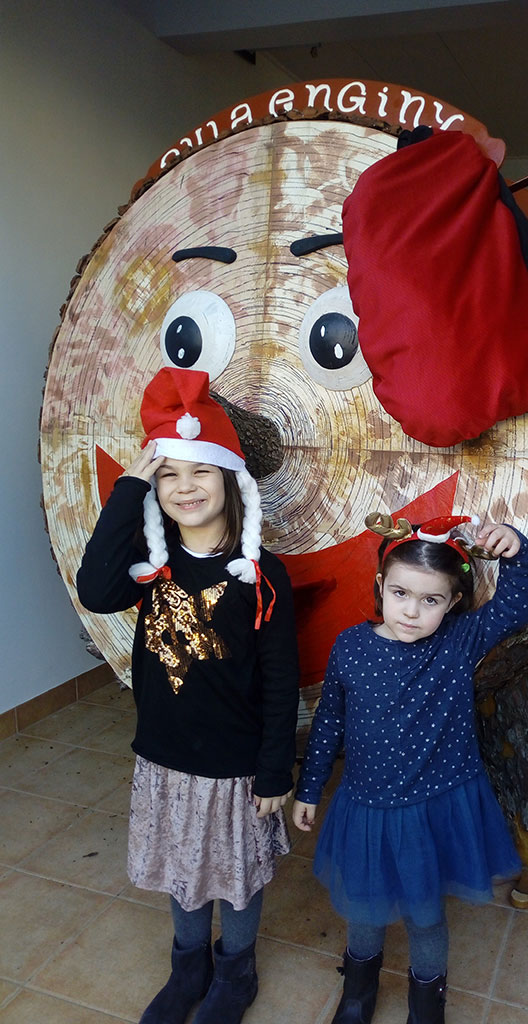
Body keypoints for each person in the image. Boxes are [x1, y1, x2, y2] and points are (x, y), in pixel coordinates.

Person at [77, 366, 300, 1024]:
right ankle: (188, 967)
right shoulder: (152, 564)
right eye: (168, 475)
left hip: (234, 765)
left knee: (235, 878)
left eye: (200, 471)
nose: (184, 486)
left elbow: (281, 678)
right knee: (182, 869)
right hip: (166, 755)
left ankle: (236, 971)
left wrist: (274, 767)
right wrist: (130, 487)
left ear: (230, 479)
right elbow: (95, 590)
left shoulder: (263, 576)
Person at [292, 512, 528, 1024]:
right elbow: (329, 719)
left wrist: (517, 550)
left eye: (431, 600)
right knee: (364, 908)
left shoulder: (458, 640)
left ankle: (427, 1008)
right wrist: (310, 788)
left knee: (426, 917)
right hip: (367, 806)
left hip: (434, 807)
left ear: (453, 603)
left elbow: (515, 608)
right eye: (401, 593)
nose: (411, 611)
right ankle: (357, 995)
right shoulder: (350, 646)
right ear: (381, 585)